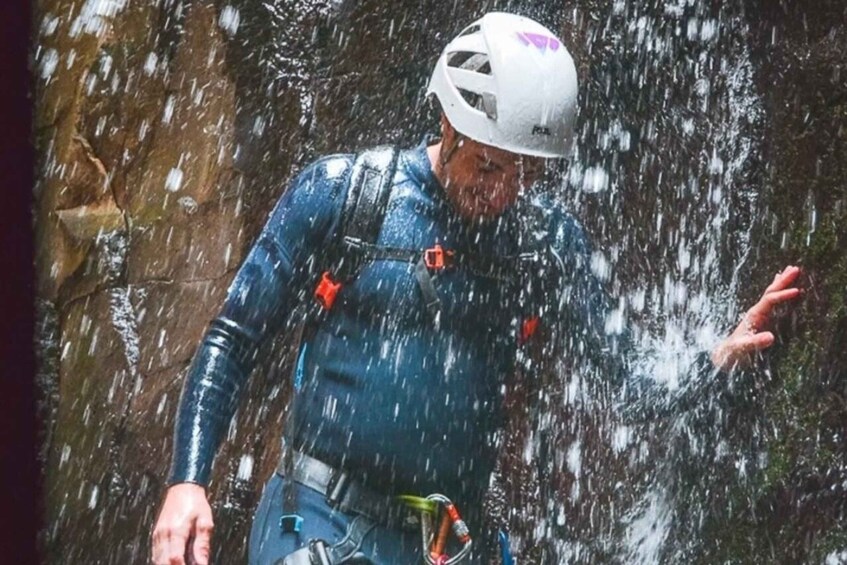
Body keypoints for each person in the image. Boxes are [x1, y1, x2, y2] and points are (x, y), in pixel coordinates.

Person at [151, 12, 801, 565]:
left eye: (525, 174)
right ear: (448, 124)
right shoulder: (345, 196)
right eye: (488, 165)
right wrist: (188, 478)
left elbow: (626, 381)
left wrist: (716, 358)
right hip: (322, 514)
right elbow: (232, 338)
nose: (502, 191)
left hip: (446, 533)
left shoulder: (545, 242)